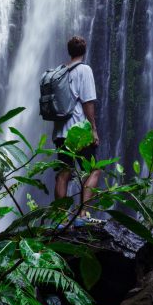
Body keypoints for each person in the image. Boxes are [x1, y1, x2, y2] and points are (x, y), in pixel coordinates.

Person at [53, 35, 101, 222]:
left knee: (64, 173)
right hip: (78, 132)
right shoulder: (84, 70)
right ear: (84, 51)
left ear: (69, 51)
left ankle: (60, 218)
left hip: (60, 132)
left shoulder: (60, 72)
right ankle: (83, 215)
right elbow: (88, 102)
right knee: (94, 170)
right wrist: (93, 129)